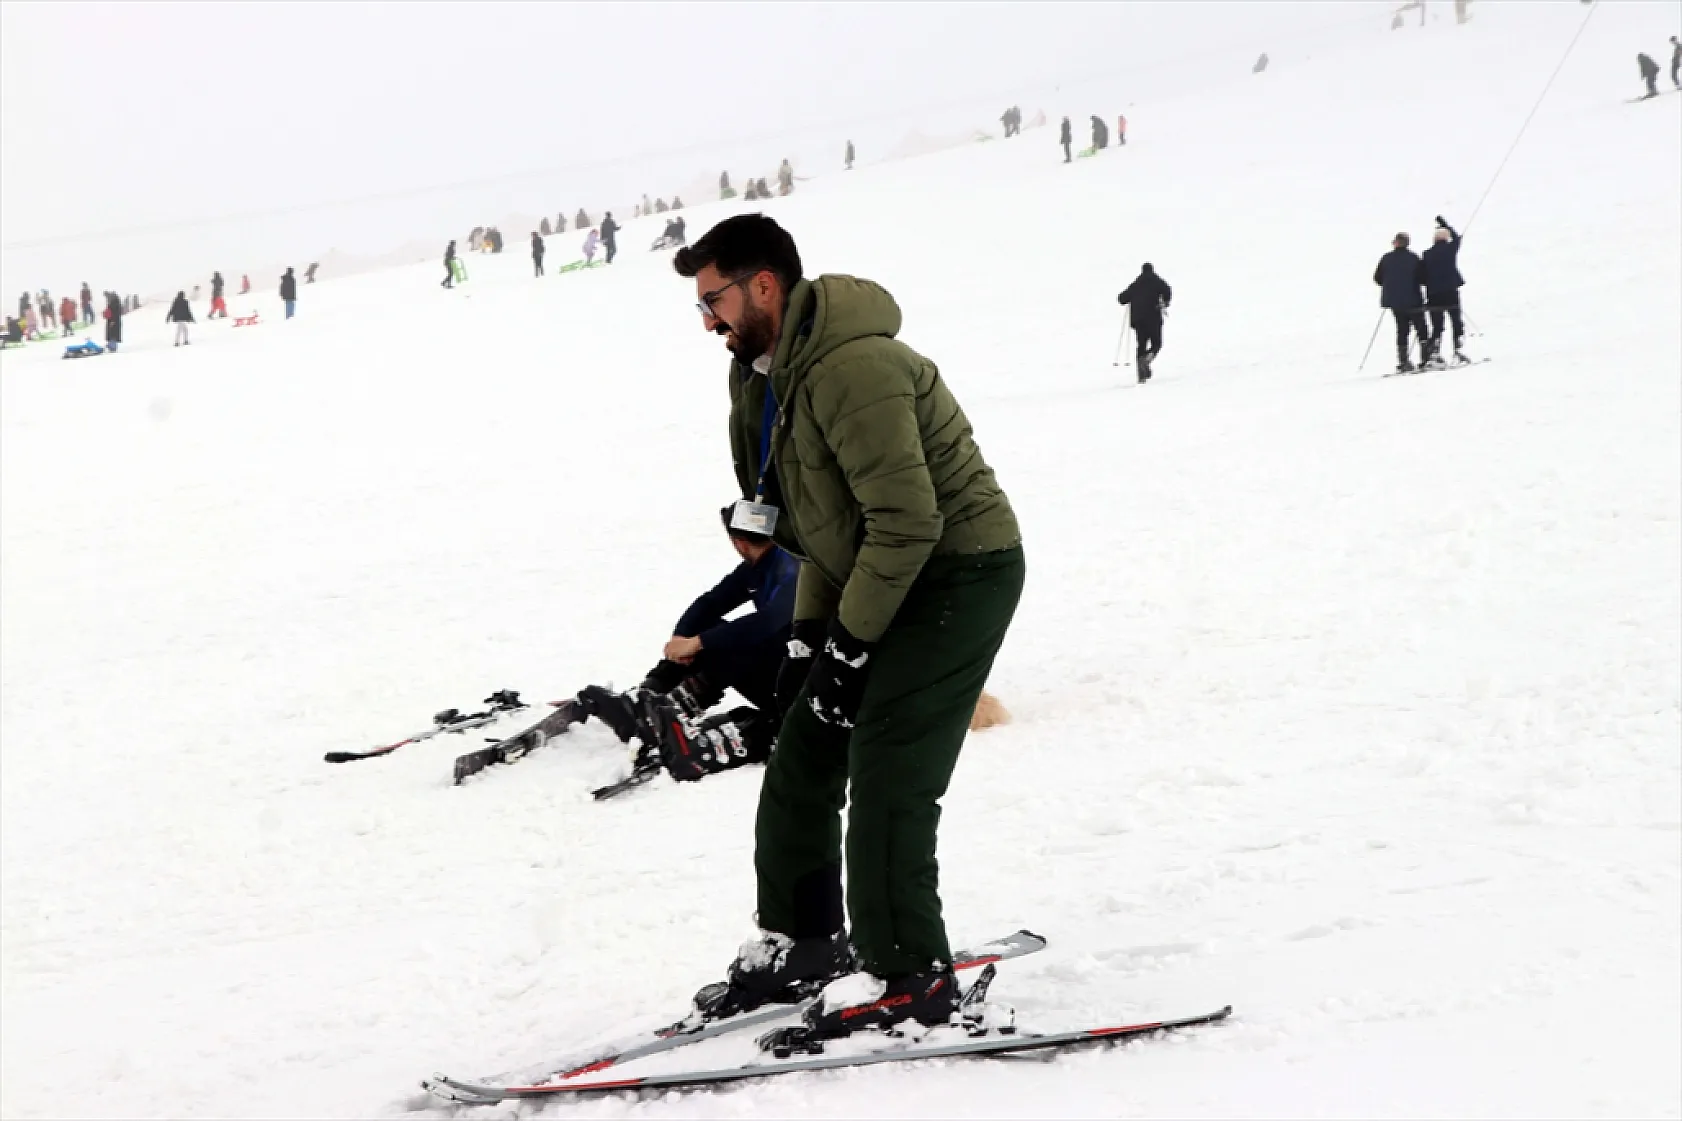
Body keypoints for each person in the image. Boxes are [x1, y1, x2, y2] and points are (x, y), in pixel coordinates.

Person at [671, 214, 1024, 1048]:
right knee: (802, 747)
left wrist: (851, 647)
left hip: (959, 571)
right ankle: (802, 943)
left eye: (714, 300)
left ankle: (909, 976)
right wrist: (807, 639)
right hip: (880, 568)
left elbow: (905, 522)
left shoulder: (853, 369)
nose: (708, 321)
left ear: (764, 285)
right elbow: (828, 530)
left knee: (889, 763)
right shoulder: (769, 377)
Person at [578, 505, 799, 786]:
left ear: (739, 543)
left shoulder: (795, 567)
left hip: (805, 687)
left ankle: (690, 734)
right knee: (712, 632)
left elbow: (769, 621)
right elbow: (711, 603)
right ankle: (649, 699)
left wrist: (698, 643)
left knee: (729, 643)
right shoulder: (761, 565)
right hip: (788, 673)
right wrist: (682, 639)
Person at [1374, 232, 1429, 372]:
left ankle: (1403, 361)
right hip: (1413, 299)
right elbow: (1423, 278)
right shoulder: (1413, 258)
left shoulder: (1386, 258)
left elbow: (1377, 278)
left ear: (1396, 243)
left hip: (1394, 301)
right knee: (1421, 328)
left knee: (1402, 329)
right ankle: (1425, 359)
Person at [1421, 216, 1468, 367]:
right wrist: (1446, 225)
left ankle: (1434, 354)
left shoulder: (1427, 254)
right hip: (1450, 292)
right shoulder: (1450, 250)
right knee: (1456, 321)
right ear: (1446, 238)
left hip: (1433, 294)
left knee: (1437, 325)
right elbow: (1458, 238)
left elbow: (1422, 275)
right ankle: (1458, 351)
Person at [1116, 263, 1172, 381]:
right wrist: (1165, 301)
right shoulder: (1156, 281)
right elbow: (1167, 290)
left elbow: (1121, 298)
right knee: (1156, 343)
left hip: (1138, 320)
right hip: (1153, 317)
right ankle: (1147, 360)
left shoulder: (1136, 284)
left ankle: (1141, 376)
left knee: (1141, 345)